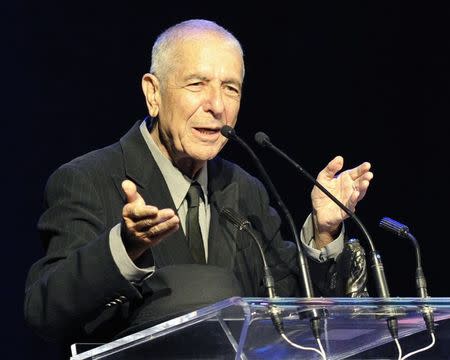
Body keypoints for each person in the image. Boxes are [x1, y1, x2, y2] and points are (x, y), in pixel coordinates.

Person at [24, 19, 373, 348]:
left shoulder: (245, 189)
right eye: (197, 84)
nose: (217, 105)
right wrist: (125, 248)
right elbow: (45, 311)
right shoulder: (88, 179)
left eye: (230, 88)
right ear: (153, 94)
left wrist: (324, 232)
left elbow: (289, 313)